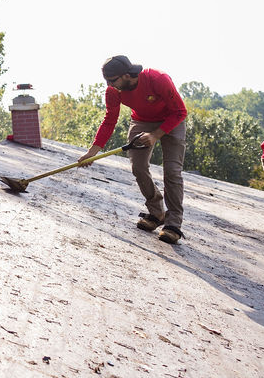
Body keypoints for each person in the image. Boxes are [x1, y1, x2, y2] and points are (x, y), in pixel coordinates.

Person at [78, 55, 188, 244]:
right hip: (141, 121)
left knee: (172, 171)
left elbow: (180, 111)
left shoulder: (157, 79)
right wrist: (92, 152)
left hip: (172, 119)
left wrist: (155, 135)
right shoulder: (113, 90)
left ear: (127, 75)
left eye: (112, 80)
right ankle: (156, 213)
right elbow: (109, 120)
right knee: (138, 167)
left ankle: (173, 225)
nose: (109, 85)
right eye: (106, 81)